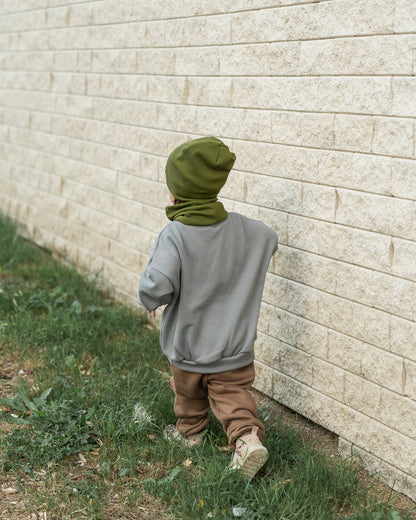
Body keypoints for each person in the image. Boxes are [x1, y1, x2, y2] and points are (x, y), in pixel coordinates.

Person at [137, 136, 278, 480]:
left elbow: (156, 284)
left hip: (188, 346)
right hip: (233, 347)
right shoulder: (248, 230)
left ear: (177, 193)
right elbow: (268, 238)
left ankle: (190, 434)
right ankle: (247, 439)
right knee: (231, 395)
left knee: (187, 391)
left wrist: (149, 300)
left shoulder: (176, 235)